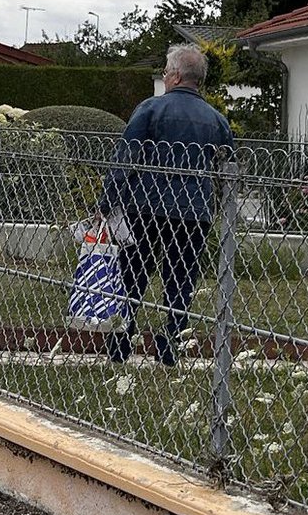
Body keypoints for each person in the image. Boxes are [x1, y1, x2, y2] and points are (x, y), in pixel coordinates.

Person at [98, 44, 233, 365]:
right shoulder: (217, 121)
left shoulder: (150, 109)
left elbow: (125, 159)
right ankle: (171, 342)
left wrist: (106, 202)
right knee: (181, 279)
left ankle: (120, 342)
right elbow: (228, 168)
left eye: (165, 72)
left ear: (174, 75)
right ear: (197, 79)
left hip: (145, 206)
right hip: (194, 211)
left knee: (132, 275)